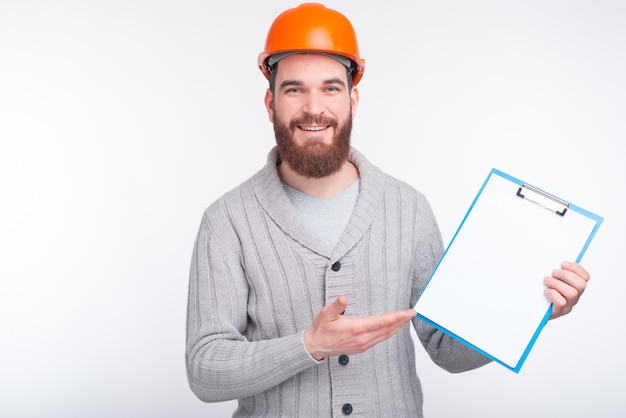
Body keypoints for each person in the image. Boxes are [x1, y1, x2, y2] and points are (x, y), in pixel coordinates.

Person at [185, 3, 591, 417]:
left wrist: (532, 310)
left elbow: (446, 348)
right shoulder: (227, 222)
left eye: (330, 87)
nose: (313, 107)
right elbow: (204, 369)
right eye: (294, 89)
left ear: (352, 98)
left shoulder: (407, 208)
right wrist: (309, 345)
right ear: (270, 103)